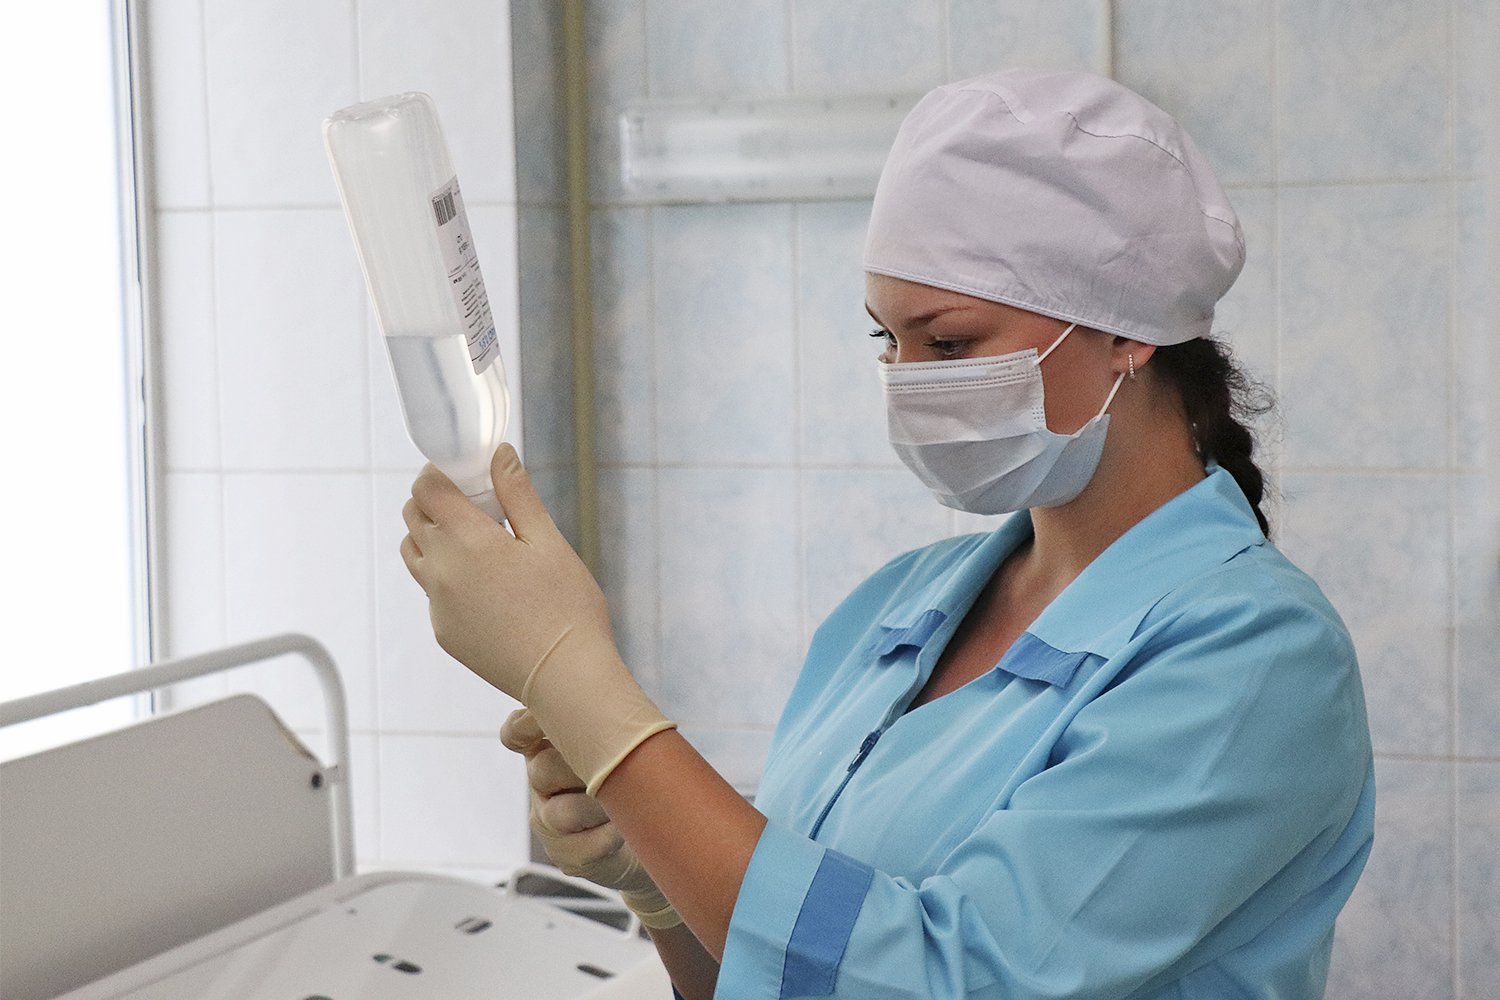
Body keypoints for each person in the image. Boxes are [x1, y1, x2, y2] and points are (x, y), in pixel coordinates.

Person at [400, 69, 1374, 1000]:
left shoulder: (1258, 658)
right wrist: (657, 877)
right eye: (887, 339)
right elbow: (783, 976)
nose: (908, 382)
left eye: (948, 342)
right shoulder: (894, 612)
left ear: (1127, 330)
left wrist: (584, 685)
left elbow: (942, 980)